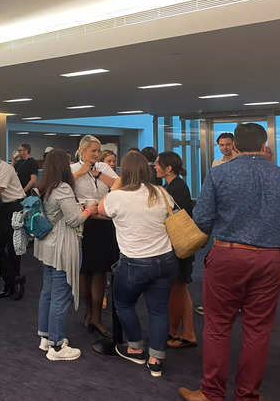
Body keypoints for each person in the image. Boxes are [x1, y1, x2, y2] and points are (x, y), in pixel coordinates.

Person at [178, 123, 280, 401]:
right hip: (271, 258)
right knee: (258, 329)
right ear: (265, 147)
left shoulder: (219, 174)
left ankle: (211, 393)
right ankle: (248, 395)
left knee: (217, 326)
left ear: (235, 146)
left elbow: (201, 220)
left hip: (228, 255)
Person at [98, 151, 178, 378]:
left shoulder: (118, 196)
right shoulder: (161, 193)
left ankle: (135, 347)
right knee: (159, 309)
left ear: (124, 172)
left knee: (123, 304)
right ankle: (156, 359)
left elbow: (100, 210)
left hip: (134, 263)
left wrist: (115, 187)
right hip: (165, 260)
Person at [36, 149, 97, 361]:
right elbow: (74, 220)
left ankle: (46, 336)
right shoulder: (62, 188)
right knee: (60, 296)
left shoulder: (46, 187)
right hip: (61, 247)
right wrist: (90, 209)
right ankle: (58, 345)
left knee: (48, 292)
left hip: (47, 247)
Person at [71, 135, 118, 338]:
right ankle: (88, 313)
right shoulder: (73, 169)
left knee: (99, 272)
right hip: (82, 222)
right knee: (83, 273)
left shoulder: (103, 167)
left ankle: (97, 318)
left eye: (99, 151)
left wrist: (98, 175)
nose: (97, 155)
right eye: (94, 151)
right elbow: (60, 188)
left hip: (102, 223)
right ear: (83, 151)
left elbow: (119, 186)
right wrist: (81, 173)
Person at [154, 151, 197, 350]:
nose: (154, 167)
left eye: (157, 164)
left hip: (178, 244)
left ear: (168, 168)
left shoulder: (175, 188)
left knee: (177, 289)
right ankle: (187, 333)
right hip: (179, 245)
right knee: (181, 288)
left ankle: (174, 331)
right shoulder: (172, 185)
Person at [0, 143, 27, 300]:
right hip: (2, 208)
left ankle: (12, 283)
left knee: (14, 247)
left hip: (15, 207)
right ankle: (13, 280)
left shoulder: (6, 169)